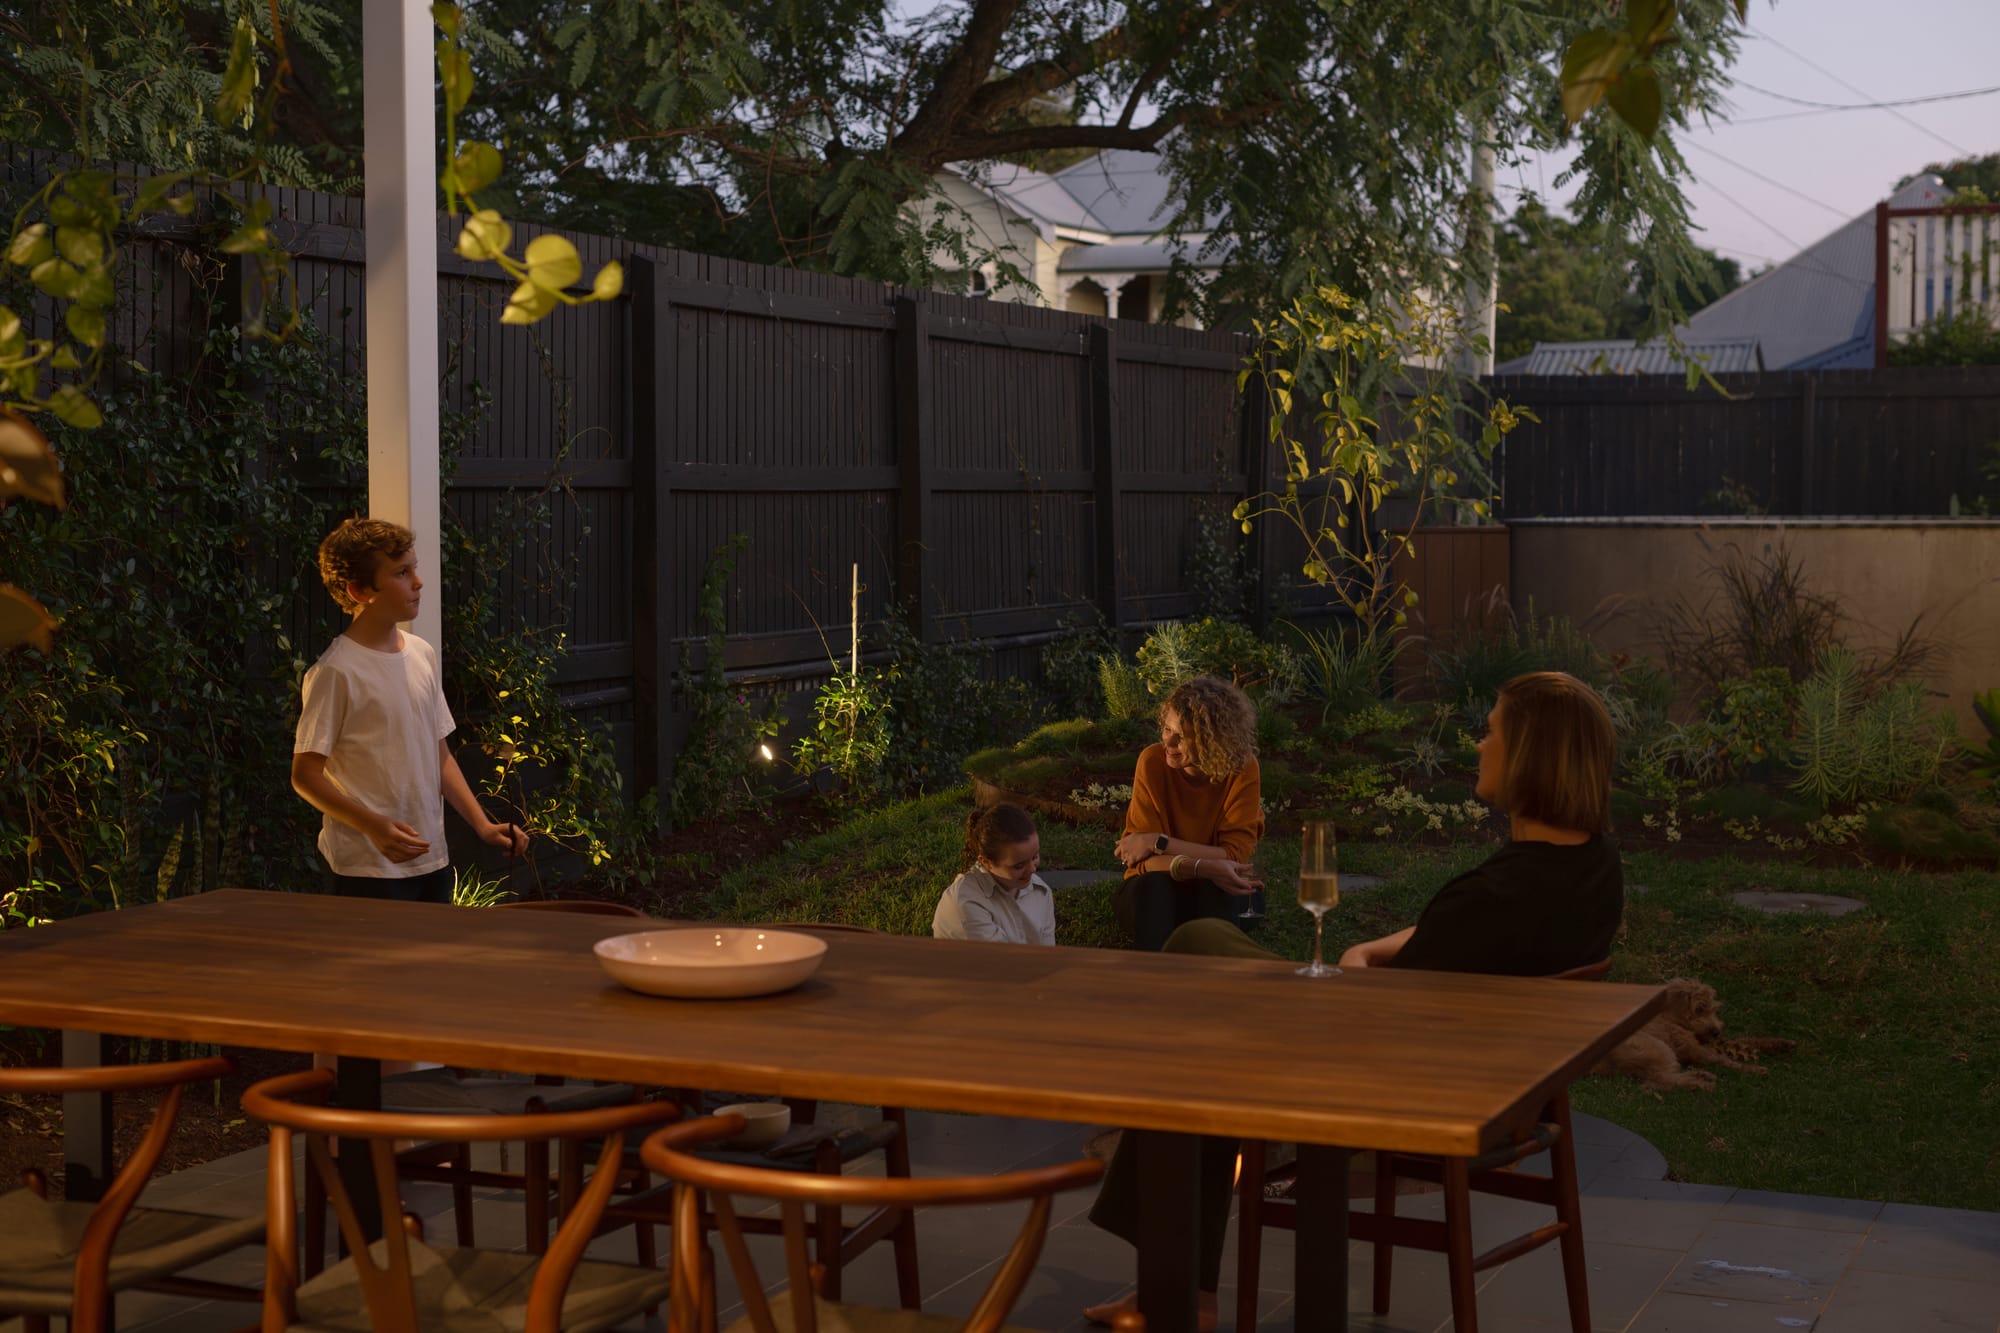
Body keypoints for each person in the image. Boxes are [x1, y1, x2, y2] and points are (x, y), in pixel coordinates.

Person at [1083, 669, 1625, 1329]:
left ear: (1532, 757)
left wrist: (1355, 963)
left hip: (1387, 1070)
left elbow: (1391, 1003)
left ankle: (1176, 1287)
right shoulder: (1592, 867)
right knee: (1203, 997)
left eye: (1492, 733)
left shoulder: (1492, 899)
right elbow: (1450, 934)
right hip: (1492, 1073)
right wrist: (1369, 950)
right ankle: (1180, 1289)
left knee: (1199, 953)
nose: (1478, 743)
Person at [291, 517, 528, 903]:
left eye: (414, 568)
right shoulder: (336, 672)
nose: (418, 581)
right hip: (367, 867)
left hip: (431, 858)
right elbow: (305, 775)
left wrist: (482, 826)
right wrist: (372, 826)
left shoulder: (422, 654)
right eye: (402, 572)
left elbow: (439, 754)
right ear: (360, 590)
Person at [1113, 675, 1266, 950]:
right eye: (1167, 729)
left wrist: (1157, 842)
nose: (1168, 743)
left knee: (1218, 886)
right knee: (1155, 887)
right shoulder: (1152, 762)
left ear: (1213, 741)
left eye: (1181, 737)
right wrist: (1206, 865)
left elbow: (1234, 857)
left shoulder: (1242, 769)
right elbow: (1142, 864)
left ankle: (1211, 984)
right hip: (1156, 894)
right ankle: (1153, 983)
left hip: (1220, 893)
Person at [932, 803, 1056, 945]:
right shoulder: (967, 902)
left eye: (1035, 857)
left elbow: (1047, 953)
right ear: (986, 862)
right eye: (1019, 866)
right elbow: (999, 963)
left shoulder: (1041, 892)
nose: (1032, 870)